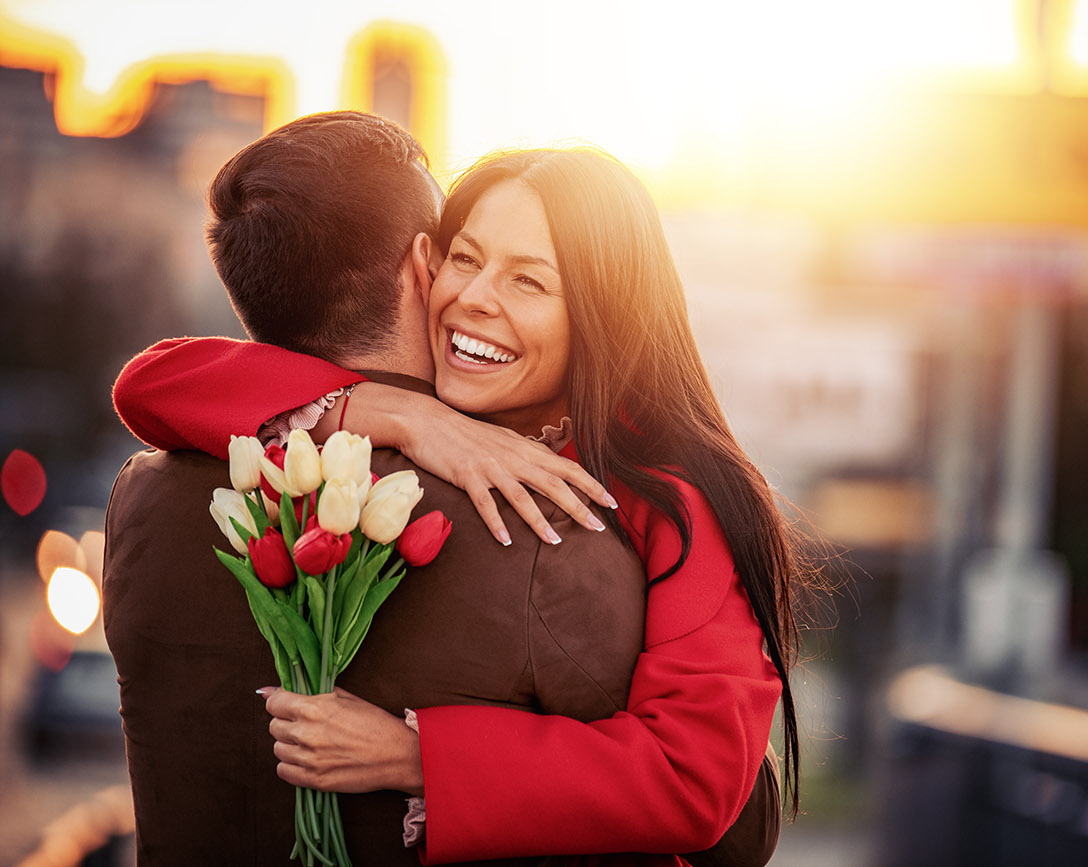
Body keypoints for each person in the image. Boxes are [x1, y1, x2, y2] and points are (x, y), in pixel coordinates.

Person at [105, 112, 779, 866]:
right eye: (466, 257)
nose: (475, 297)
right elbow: (152, 381)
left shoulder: (673, 495)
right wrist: (400, 413)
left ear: (602, 312)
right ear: (427, 266)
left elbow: (703, 781)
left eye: (529, 279)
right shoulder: (432, 418)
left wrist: (419, 754)